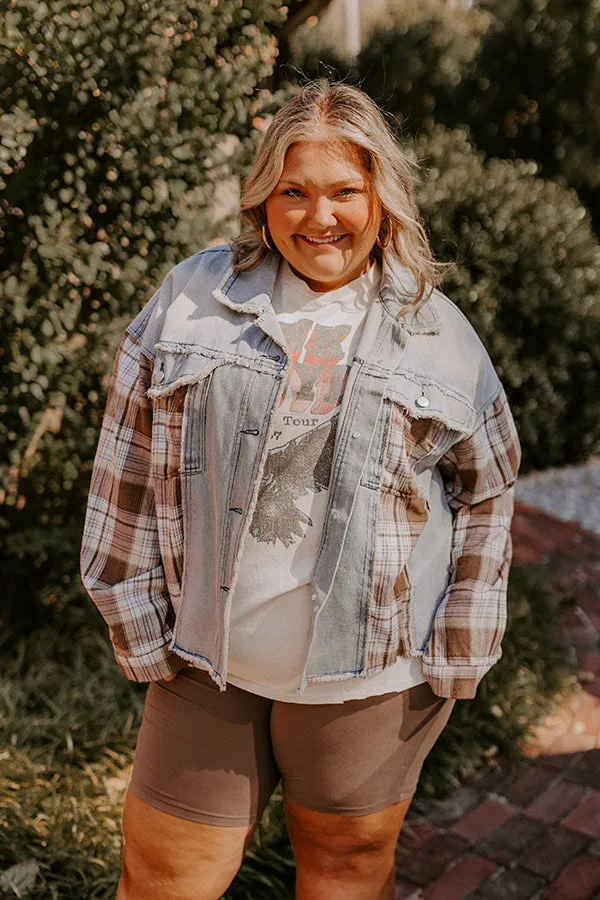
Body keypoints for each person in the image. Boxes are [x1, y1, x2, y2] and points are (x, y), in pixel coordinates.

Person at [80, 81, 521, 900]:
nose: (319, 218)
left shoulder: (439, 334)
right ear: (264, 199)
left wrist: (460, 641)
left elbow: (488, 488)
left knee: (347, 876)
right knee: (163, 877)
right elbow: (127, 457)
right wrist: (134, 615)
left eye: (344, 192)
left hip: (373, 681)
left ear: (381, 198)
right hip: (207, 665)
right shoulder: (191, 302)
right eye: (295, 192)